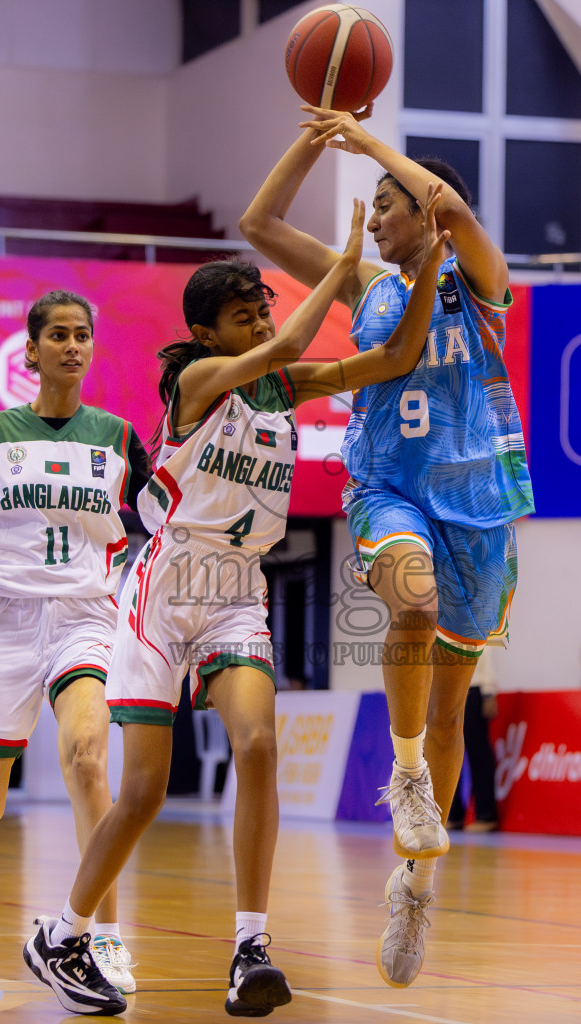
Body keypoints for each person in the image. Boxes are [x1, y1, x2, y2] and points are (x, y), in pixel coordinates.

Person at [38, 196, 453, 1017]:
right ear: (207, 335)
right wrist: (337, 265)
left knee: (259, 745)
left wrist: (432, 266)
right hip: (162, 591)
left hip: (235, 593)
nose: (263, 322)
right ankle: (63, 932)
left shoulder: (280, 391)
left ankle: (250, 946)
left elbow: (394, 358)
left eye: (264, 307)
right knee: (144, 793)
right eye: (245, 314)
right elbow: (296, 340)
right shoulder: (196, 383)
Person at [242, 104, 533, 990]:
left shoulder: (479, 278)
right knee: (409, 598)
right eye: (371, 200)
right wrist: (316, 134)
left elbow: (453, 204)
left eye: (389, 201)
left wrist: (373, 141)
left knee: (451, 716)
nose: (376, 215)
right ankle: (404, 776)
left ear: (431, 214)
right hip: (388, 488)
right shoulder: (367, 282)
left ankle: (415, 884)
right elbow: (259, 225)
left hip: (478, 504)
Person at [0, 290, 150, 992]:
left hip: (83, 614)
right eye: (59, 336)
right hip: (5, 617)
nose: (73, 347)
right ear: (32, 349)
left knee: (87, 760)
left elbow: (159, 512)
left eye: (83, 336)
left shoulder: (118, 438)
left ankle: (102, 937)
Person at [447, 650, 500, 832]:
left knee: (479, 754)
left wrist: (488, 694)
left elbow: (485, 658)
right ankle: (453, 815)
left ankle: (486, 815)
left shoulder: (474, 623)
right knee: (449, 755)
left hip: (472, 689)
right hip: (447, 691)